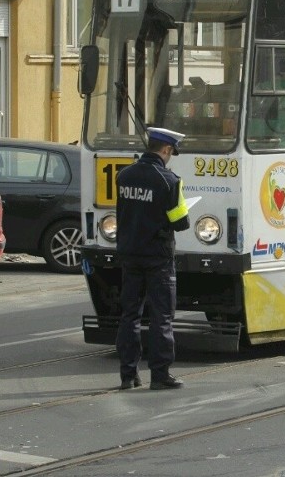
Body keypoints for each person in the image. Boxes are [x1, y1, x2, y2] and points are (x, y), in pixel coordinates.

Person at [115, 127, 191, 390]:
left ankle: (128, 375)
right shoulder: (169, 181)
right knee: (162, 317)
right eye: (171, 153)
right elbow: (181, 223)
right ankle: (160, 375)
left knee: (130, 316)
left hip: (129, 255)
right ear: (166, 150)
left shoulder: (124, 175)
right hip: (158, 258)